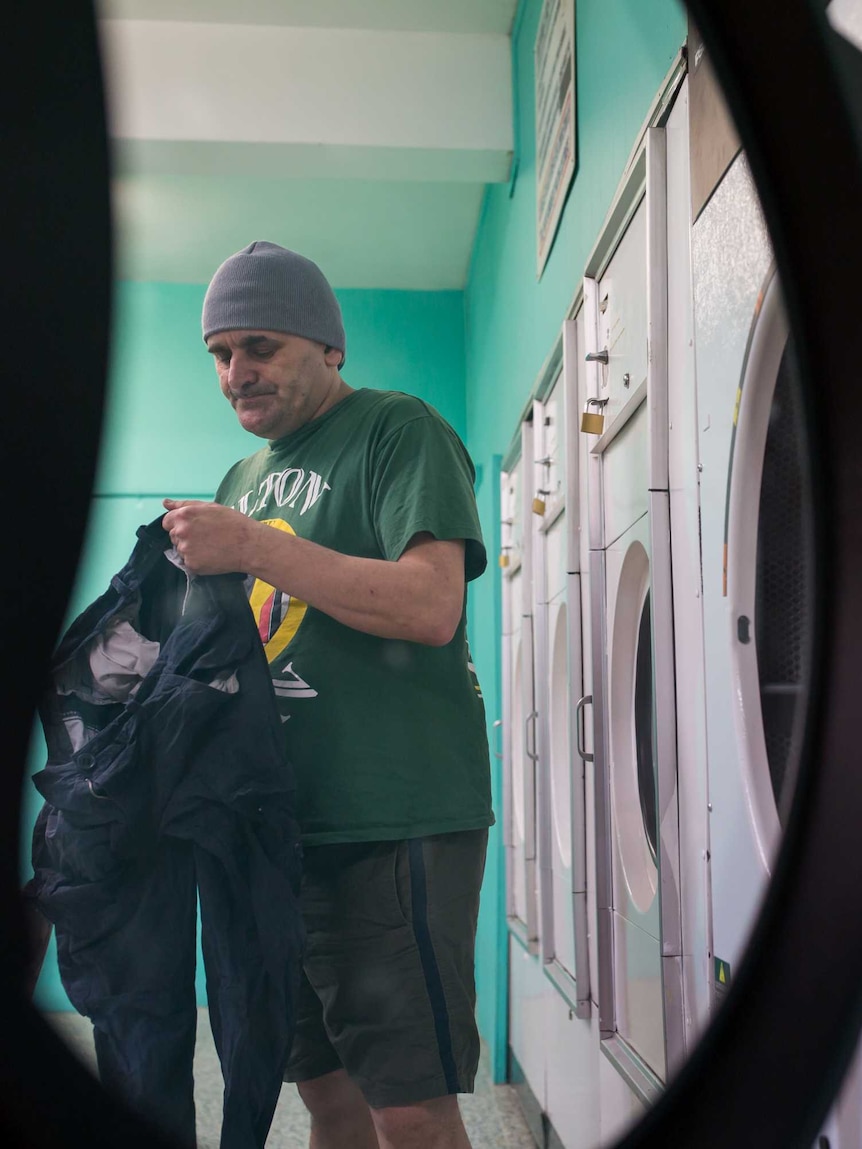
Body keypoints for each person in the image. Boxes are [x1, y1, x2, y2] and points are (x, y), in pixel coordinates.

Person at [161, 241, 494, 1149]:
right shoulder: (245, 481)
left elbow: (431, 603)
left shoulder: (399, 430)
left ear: (328, 347)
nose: (237, 374)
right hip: (282, 830)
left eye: (259, 346)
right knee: (324, 1092)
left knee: (411, 1109)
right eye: (220, 354)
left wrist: (256, 548)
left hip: (395, 822)